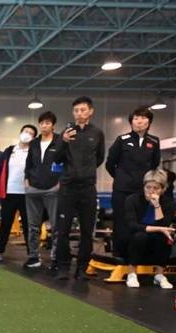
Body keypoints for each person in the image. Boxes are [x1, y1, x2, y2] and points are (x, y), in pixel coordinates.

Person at [55, 96, 106, 280]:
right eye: (76, 110)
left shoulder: (97, 133)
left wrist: (86, 172)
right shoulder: (66, 133)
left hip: (87, 188)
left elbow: (99, 158)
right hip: (67, 188)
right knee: (63, 230)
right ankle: (63, 267)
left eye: (83, 110)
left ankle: (82, 269)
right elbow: (56, 159)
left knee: (86, 231)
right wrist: (64, 142)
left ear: (90, 111)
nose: (79, 113)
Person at [106, 107, 161, 259]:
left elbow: (155, 164)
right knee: (121, 222)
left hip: (143, 192)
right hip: (122, 190)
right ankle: (119, 254)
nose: (139, 121)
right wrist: (120, 178)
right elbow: (110, 163)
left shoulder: (154, 141)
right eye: (136, 118)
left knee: (141, 222)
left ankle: (138, 255)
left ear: (149, 122)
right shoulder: (122, 139)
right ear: (131, 122)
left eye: (143, 118)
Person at [0, 124, 37, 263]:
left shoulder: (34, 152)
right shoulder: (9, 150)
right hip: (9, 193)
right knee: (5, 223)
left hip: (27, 194)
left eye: (31, 133)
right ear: (20, 133)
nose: (27, 134)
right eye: (25, 131)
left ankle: (32, 254)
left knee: (28, 225)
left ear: (33, 138)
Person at [122, 169, 175, 289]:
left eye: (156, 188)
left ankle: (159, 275)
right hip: (135, 238)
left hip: (156, 240)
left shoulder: (168, 203)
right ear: (143, 187)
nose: (151, 191)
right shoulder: (132, 200)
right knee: (140, 235)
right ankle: (132, 273)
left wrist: (157, 206)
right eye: (148, 187)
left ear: (163, 189)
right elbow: (132, 225)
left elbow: (164, 225)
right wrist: (158, 228)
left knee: (165, 236)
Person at [24, 111, 63, 269]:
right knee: (33, 226)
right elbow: (28, 164)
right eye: (41, 123)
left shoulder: (60, 141)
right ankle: (33, 257)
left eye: (47, 123)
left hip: (53, 189)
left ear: (53, 125)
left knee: (56, 226)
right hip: (33, 188)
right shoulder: (33, 143)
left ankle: (55, 258)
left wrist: (60, 184)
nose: (44, 126)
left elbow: (66, 163)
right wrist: (27, 182)